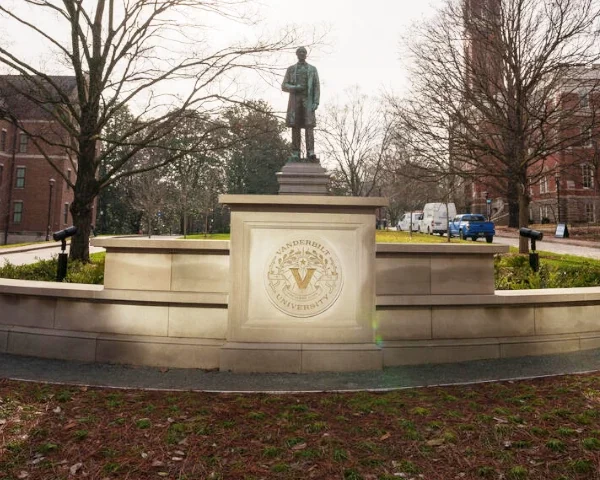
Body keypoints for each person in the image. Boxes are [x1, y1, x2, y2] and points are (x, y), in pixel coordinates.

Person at [282, 46, 320, 161]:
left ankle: (310, 152)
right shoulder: (291, 69)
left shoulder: (312, 69)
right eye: (300, 52)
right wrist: (295, 87)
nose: (302, 54)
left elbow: (316, 86)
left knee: (309, 126)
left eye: (304, 52)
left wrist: (316, 101)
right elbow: (284, 85)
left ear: (306, 54)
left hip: (308, 100)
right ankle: (295, 152)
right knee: (295, 126)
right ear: (297, 54)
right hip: (295, 100)